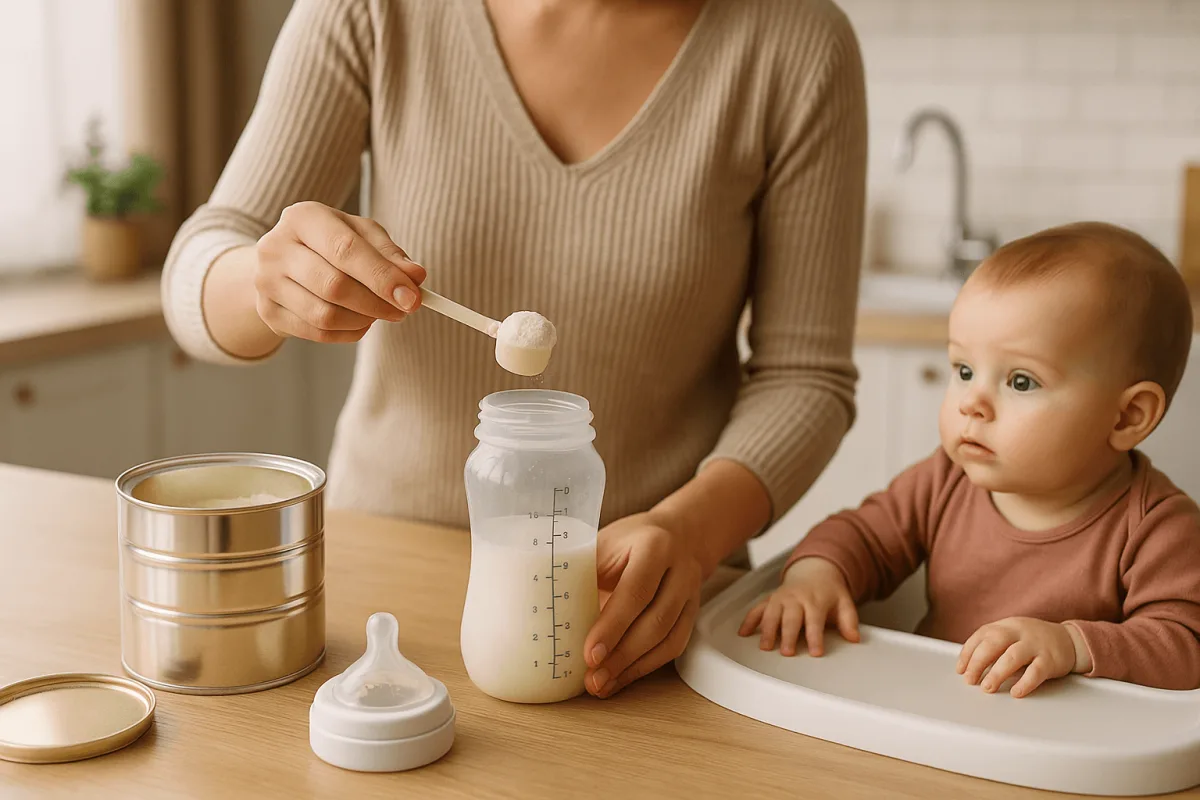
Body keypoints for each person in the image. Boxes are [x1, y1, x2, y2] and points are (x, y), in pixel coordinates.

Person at [163, 0, 867, 698]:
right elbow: (198, 271)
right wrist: (265, 281)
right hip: (377, 594)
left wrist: (689, 532)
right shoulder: (375, 13)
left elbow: (806, 377)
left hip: (636, 617)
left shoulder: (796, 44)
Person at [740, 222, 1200, 697]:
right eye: (963, 370)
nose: (971, 403)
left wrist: (1072, 645)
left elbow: (1186, 646)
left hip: (1059, 758)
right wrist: (815, 577)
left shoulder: (1160, 529)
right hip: (933, 715)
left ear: (1127, 416)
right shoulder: (946, 479)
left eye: (1021, 381)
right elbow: (862, 534)